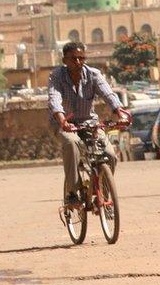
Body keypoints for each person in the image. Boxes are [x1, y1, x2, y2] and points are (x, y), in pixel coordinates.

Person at [47, 41, 130, 206]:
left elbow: (108, 94)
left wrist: (120, 112)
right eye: (73, 59)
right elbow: (54, 98)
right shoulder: (56, 76)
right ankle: (72, 193)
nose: (78, 62)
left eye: (81, 58)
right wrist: (63, 120)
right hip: (64, 123)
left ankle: (103, 192)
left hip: (88, 123)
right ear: (65, 60)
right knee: (72, 143)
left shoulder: (93, 75)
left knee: (110, 155)